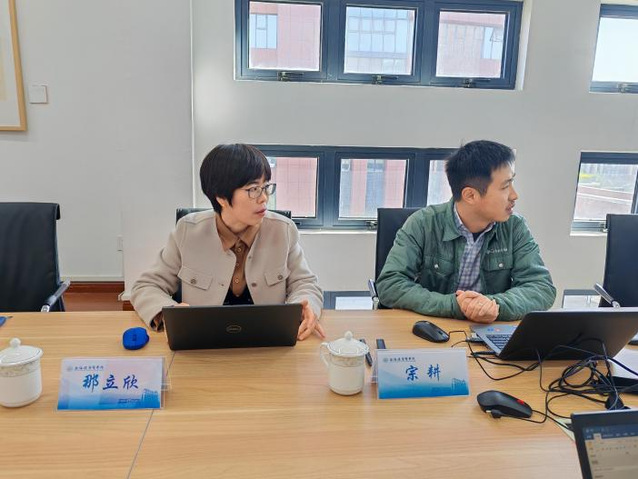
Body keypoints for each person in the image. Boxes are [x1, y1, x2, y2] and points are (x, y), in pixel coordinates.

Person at [131, 143, 324, 340]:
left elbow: (305, 283)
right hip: (202, 341)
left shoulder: (283, 230)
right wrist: (170, 313)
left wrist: (305, 305)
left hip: (268, 341)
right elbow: (147, 286)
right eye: (253, 189)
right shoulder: (187, 231)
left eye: (265, 187)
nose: (264, 198)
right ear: (221, 197)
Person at [376, 140, 556, 323]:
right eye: (505, 187)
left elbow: (541, 287)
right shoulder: (423, 223)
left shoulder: (515, 227)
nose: (514, 195)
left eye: (512, 183)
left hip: (489, 329)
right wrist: (454, 305)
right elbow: (390, 285)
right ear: (470, 195)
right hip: (434, 326)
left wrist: (494, 305)